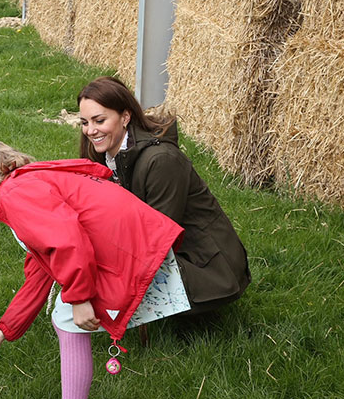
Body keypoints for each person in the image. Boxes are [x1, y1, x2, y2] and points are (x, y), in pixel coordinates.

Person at [0, 140, 189, 399]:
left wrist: (80, 298)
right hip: (133, 245)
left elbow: (68, 240)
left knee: (67, 318)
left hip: (130, 252)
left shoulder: (17, 194)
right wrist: (4, 331)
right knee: (64, 316)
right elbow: (40, 273)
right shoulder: (27, 183)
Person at [77, 76, 250, 315]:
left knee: (95, 265)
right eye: (84, 122)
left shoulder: (161, 161)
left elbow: (156, 239)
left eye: (99, 120)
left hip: (210, 269)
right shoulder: (106, 155)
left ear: (125, 117)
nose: (90, 130)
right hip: (172, 253)